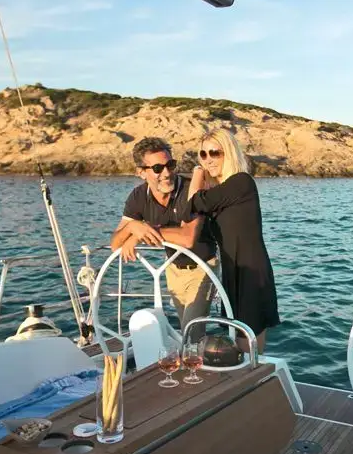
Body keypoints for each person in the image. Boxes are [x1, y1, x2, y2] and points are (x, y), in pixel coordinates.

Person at [110, 137, 219, 341]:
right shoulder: (138, 196)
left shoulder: (191, 189)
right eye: (158, 168)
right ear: (141, 172)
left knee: (191, 333)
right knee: (188, 332)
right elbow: (116, 244)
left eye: (170, 165)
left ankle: (193, 369)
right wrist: (133, 227)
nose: (167, 173)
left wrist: (141, 232)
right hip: (173, 270)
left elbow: (187, 239)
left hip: (203, 268)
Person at [187, 128, 280, 353]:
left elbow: (194, 203)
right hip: (233, 270)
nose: (208, 160)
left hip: (250, 271)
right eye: (203, 155)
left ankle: (254, 380)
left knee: (247, 341)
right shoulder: (223, 193)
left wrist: (197, 174)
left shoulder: (241, 182)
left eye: (214, 153)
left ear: (228, 153)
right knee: (239, 335)